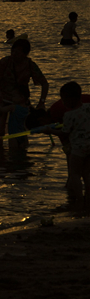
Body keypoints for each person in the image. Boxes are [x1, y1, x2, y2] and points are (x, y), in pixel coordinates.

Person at [0, 38, 49, 149]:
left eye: (17, 52)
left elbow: (44, 84)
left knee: (20, 132)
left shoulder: (30, 65)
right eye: (13, 51)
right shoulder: (4, 62)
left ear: (25, 54)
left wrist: (41, 102)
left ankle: (20, 157)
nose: (14, 54)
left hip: (20, 102)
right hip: (1, 100)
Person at [60, 82, 90, 210]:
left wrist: (48, 131)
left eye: (63, 99)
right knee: (88, 173)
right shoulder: (89, 107)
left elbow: (64, 133)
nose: (62, 102)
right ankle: (88, 198)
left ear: (70, 99)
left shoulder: (69, 115)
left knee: (74, 174)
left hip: (78, 149)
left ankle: (79, 199)